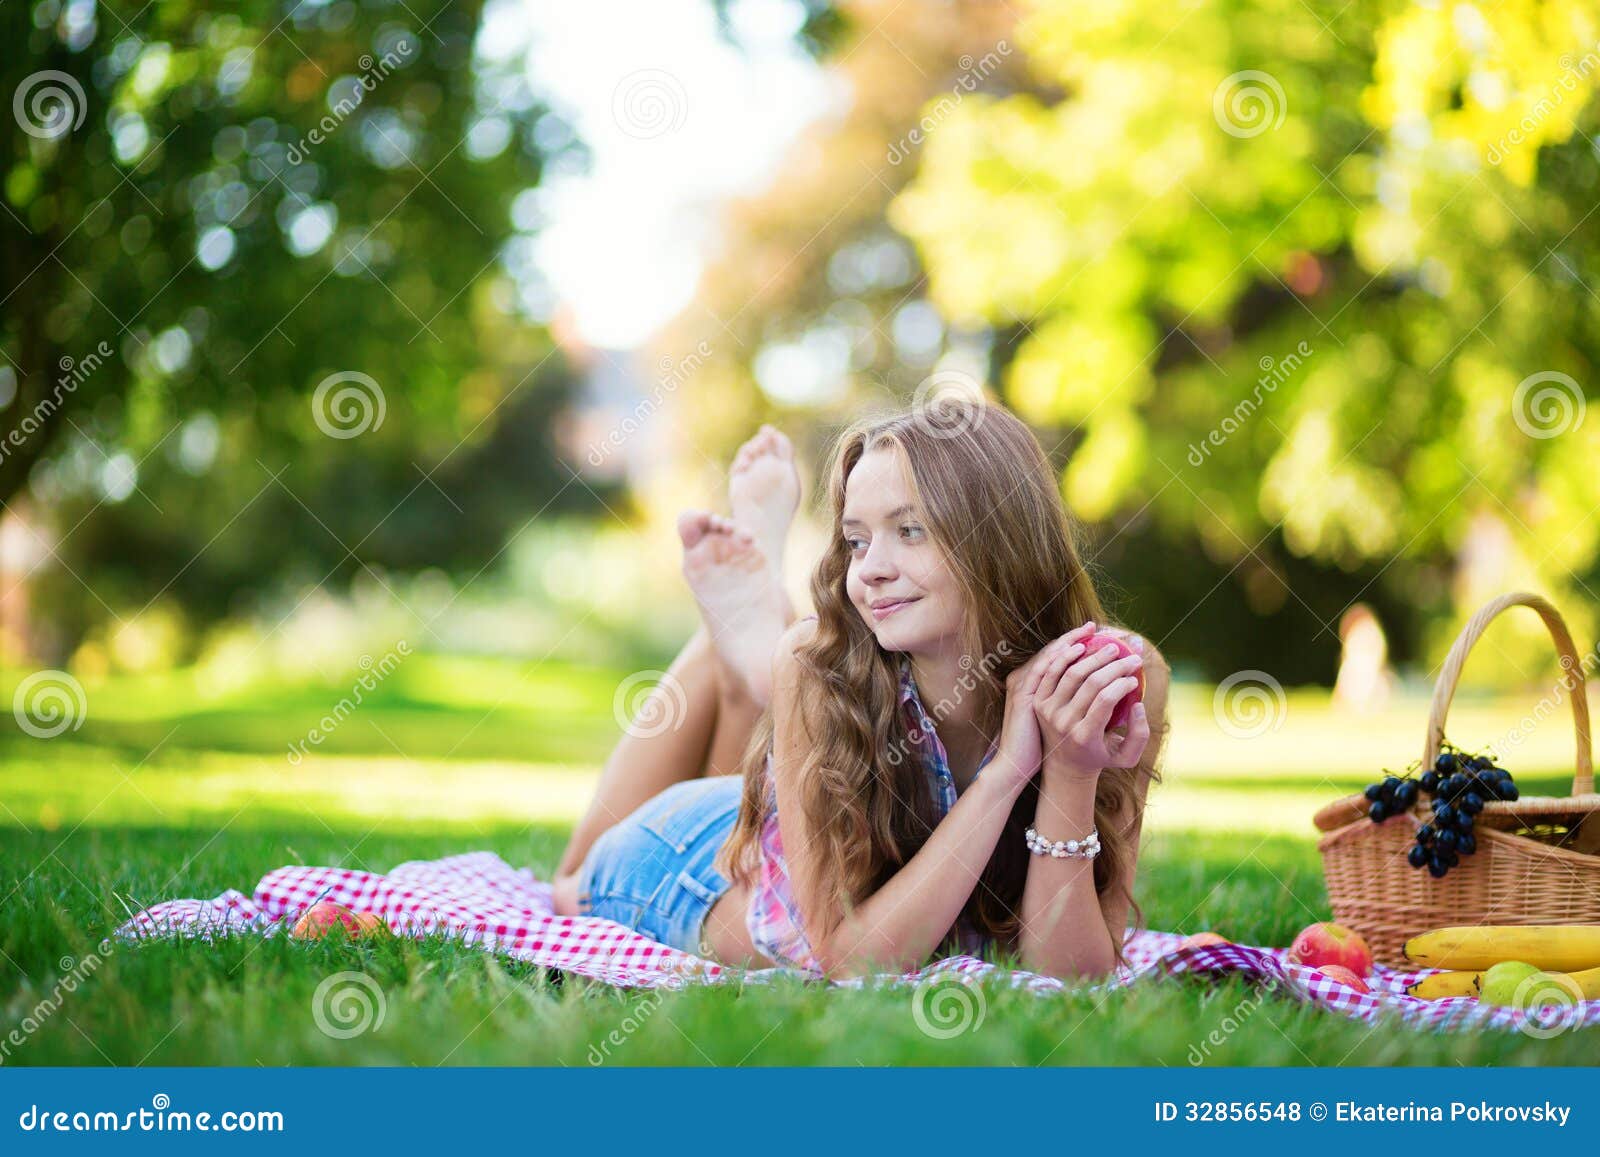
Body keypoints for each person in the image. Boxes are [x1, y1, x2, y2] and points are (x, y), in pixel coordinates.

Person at [551, 402, 1170, 981]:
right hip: (686, 860)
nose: (869, 568)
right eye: (856, 540)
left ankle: (747, 664)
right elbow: (855, 966)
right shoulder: (818, 664)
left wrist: (1070, 770)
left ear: (998, 536)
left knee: (787, 694)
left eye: (910, 531)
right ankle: (737, 647)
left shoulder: (1110, 678)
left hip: (793, 806)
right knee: (567, 882)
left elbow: (1074, 978)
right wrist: (1009, 770)